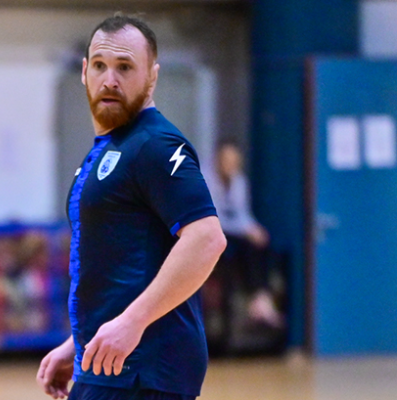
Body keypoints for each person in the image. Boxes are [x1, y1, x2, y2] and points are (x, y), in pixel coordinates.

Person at [37, 14, 226, 400]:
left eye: (124, 67)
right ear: (84, 72)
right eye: (100, 66)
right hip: (109, 368)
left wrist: (132, 322)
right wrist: (79, 342)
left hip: (144, 373)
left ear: (152, 76)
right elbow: (121, 268)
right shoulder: (112, 148)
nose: (110, 79)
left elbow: (206, 239)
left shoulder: (155, 145)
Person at [208, 138, 283, 329]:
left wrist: (254, 229)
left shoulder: (239, 181)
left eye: (234, 161)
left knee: (261, 244)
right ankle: (258, 300)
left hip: (234, 235)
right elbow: (214, 216)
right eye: (226, 160)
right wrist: (245, 230)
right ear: (218, 160)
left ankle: (260, 298)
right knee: (244, 247)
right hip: (213, 234)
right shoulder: (205, 180)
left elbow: (242, 213)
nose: (230, 165)